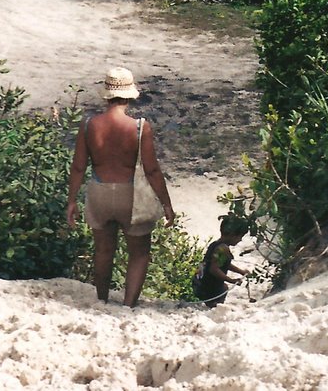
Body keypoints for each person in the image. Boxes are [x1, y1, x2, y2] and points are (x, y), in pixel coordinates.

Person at [67, 67, 176, 307]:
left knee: (104, 251)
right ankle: (128, 305)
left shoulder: (88, 125)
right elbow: (152, 170)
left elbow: (78, 167)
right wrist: (166, 204)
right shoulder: (139, 127)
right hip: (130, 195)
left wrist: (72, 201)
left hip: (99, 191)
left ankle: (102, 300)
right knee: (139, 253)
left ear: (106, 94)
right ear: (129, 95)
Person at [192, 215, 249, 307]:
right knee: (222, 291)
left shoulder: (215, 244)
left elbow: (223, 264)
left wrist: (241, 272)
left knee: (223, 289)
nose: (240, 240)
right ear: (232, 235)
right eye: (240, 236)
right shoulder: (223, 249)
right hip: (209, 288)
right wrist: (231, 280)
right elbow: (214, 269)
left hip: (200, 283)